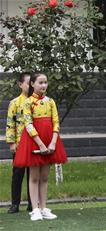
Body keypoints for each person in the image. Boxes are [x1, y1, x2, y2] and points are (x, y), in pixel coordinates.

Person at [13, 72, 68, 221]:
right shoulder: (28, 102)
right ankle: (35, 209)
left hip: (50, 140)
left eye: (45, 82)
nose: (43, 85)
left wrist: (53, 142)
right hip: (34, 141)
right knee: (34, 176)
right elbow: (28, 124)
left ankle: (44, 207)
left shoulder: (50, 101)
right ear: (32, 84)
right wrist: (41, 144)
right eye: (40, 83)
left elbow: (56, 122)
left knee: (44, 177)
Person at [6, 72, 32, 213]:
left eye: (32, 82)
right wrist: (12, 143)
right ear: (20, 84)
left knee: (33, 174)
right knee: (17, 174)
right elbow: (10, 124)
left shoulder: (37, 102)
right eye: (27, 83)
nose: (30, 85)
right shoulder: (15, 103)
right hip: (20, 144)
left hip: (34, 144)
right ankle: (15, 204)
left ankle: (32, 203)